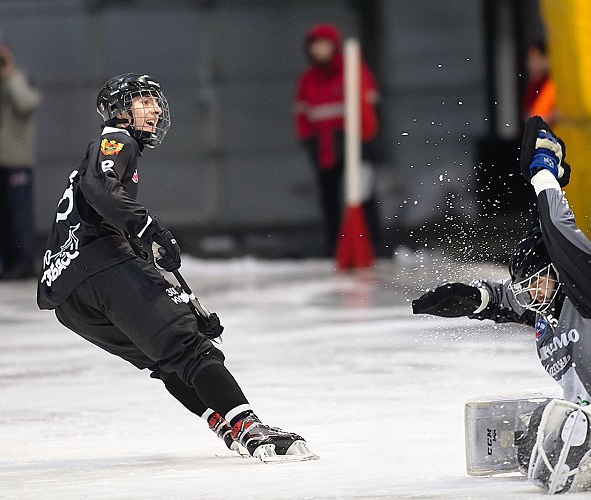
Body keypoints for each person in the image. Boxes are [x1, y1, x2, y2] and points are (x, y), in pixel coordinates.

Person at [36, 73, 315, 462]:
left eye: (155, 101)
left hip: (69, 297)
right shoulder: (117, 139)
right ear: (119, 109)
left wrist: (185, 303)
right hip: (99, 267)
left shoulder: (110, 148)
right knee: (189, 349)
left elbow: (101, 215)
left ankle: (225, 423)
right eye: (143, 101)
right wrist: (148, 226)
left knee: (166, 360)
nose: (154, 109)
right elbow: (102, 191)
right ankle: (249, 427)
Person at [412, 116, 591, 492]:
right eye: (525, 288)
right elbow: (507, 301)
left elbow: (559, 233)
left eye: (536, 284)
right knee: (537, 439)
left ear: (560, 272)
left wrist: (544, 172)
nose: (531, 296)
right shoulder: (545, 307)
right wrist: (474, 298)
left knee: (558, 443)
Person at [294, 23, 383, 256]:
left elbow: (369, 108)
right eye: (315, 46)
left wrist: (364, 141)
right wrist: (310, 141)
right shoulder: (308, 80)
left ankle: (374, 246)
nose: (319, 50)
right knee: (329, 201)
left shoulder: (354, 70)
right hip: (325, 148)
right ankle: (335, 248)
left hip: (356, 146)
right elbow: (302, 114)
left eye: (324, 45)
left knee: (363, 197)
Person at [0, 42, 41, 280]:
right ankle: (7, 263)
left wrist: (9, 74)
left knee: (19, 216)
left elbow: (27, 103)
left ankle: (23, 263)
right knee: (4, 217)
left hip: (16, 160)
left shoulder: (18, 79)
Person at [521, 41, 556, 126]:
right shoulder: (533, 84)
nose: (530, 63)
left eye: (535, 58)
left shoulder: (551, 84)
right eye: (529, 59)